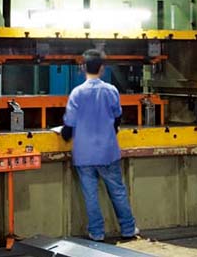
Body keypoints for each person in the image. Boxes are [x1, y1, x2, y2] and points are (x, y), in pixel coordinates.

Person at [59, 49, 139, 242]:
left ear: (83, 67)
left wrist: (64, 135)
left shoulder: (77, 93)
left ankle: (97, 233)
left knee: (90, 195)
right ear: (102, 68)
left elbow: (69, 125)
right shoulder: (111, 90)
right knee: (117, 191)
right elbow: (117, 117)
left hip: (84, 154)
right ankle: (128, 229)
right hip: (107, 151)